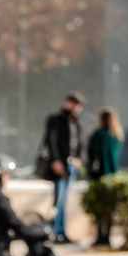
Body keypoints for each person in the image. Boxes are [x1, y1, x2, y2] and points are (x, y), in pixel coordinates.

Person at [43, 91, 85, 243]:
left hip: (71, 165)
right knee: (58, 200)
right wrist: (56, 160)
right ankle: (54, 232)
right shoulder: (55, 120)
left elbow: (79, 143)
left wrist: (78, 158)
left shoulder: (75, 122)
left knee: (64, 200)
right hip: (60, 164)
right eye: (75, 104)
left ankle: (62, 231)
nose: (77, 108)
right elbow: (51, 140)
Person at [86, 107, 125, 246]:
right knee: (109, 209)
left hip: (99, 176)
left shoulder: (98, 134)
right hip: (113, 175)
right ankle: (107, 236)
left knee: (98, 208)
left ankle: (99, 237)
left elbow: (90, 152)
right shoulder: (117, 135)